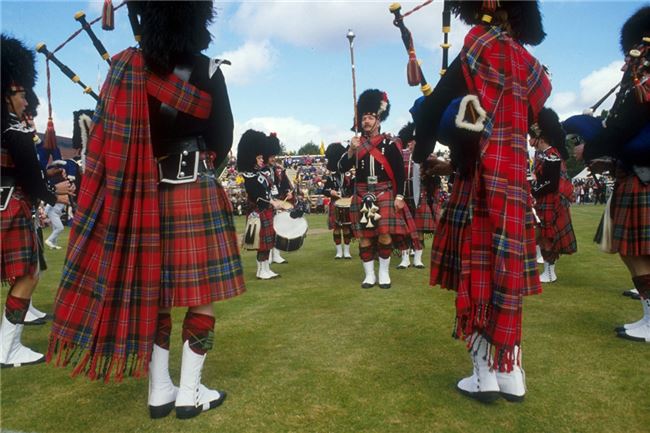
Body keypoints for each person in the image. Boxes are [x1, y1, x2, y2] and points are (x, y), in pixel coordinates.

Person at [47, 2, 245, 420]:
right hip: (194, 190)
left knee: (154, 299)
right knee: (201, 297)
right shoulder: (208, 70)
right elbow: (223, 137)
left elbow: (104, 139)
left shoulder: (124, 69)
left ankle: (160, 391)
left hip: (143, 196)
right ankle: (189, 393)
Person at [412, 1, 551, 402]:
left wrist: (422, 156)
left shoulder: (476, 45)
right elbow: (522, 108)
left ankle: (483, 375)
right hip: (514, 186)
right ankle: (512, 373)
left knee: (478, 276)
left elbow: (435, 109)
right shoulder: (529, 63)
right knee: (505, 276)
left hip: (477, 184)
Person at [571, 6, 650, 343]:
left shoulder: (645, 84)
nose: (626, 63)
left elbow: (620, 127)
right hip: (635, 171)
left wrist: (587, 151)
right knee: (636, 250)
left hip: (642, 175)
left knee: (633, 249)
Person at [1, 34, 73, 367]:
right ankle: (6, 347)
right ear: (6, 95)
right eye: (20, 93)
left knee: (25, 275)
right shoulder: (14, 132)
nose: (26, 100)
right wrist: (58, 192)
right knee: (28, 276)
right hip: (13, 206)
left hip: (8, 203)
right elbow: (31, 181)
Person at [339, 89, 407, 289]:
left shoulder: (389, 144)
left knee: (384, 234)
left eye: (370, 117)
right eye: (364, 117)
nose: (366, 121)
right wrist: (351, 149)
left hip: (384, 192)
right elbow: (341, 168)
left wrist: (400, 196)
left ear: (378, 119)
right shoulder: (356, 144)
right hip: (361, 193)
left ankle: (383, 273)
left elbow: (400, 173)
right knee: (364, 237)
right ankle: (369, 275)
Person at [530, 108, 577, 283]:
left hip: (551, 201)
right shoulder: (547, 154)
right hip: (546, 201)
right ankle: (548, 272)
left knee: (548, 237)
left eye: (531, 136)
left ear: (539, 137)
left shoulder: (552, 155)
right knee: (544, 237)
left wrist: (532, 189)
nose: (529, 140)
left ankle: (550, 273)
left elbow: (550, 183)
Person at [238, 129, 281, 280]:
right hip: (258, 211)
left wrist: (273, 202)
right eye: (259, 157)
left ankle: (266, 268)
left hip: (266, 210)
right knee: (262, 243)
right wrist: (271, 203)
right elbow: (256, 197)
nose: (262, 160)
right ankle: (260, 270)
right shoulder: (249, 176)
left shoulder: (261, 174)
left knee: (268, 243)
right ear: (252, 158)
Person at [395, 122, 432, 269]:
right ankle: (405, 259)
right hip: (403, 199)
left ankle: (418, 258)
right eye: (410, 141)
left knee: (419, 230)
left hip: (420, 199)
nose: (412, 143)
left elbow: (431, 179)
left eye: (415, 141)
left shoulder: (426, 157)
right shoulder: (400, 155)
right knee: (403, 231)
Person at [323, 142, 353, 259]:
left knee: (346, 228)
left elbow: (354, 188)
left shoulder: (349, 175)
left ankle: (347, 251)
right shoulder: (331, 176)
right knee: (336, 229)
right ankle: (339, 252)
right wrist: (331, 192)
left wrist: (351, 197)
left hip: (347, 203)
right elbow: (324, 190)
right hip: (335, 203)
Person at [262, 134, 289, 265]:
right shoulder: (262, 171)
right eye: (271, 157)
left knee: (278, 229)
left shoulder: (277, 169)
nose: (273, 159)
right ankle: (270, 255)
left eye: (274, 157)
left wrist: (288, 192)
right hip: (269, 202)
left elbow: (284, 184)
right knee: (270, 231)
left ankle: (276, 254)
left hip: (278, 201)